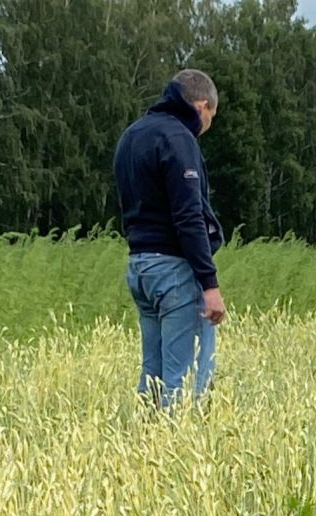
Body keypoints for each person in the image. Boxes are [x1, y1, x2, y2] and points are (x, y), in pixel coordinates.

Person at [112, 69, 226, 410]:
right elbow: (189, 216)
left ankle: (144, 451)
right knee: (185, 378)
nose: (206, 127)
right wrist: (209, 284)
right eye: (211, 118)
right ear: (202, 106)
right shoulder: (178, 138)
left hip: (140, 266)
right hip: (174, 271)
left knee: (153, 374)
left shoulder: (132, 135)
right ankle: (176, 451)